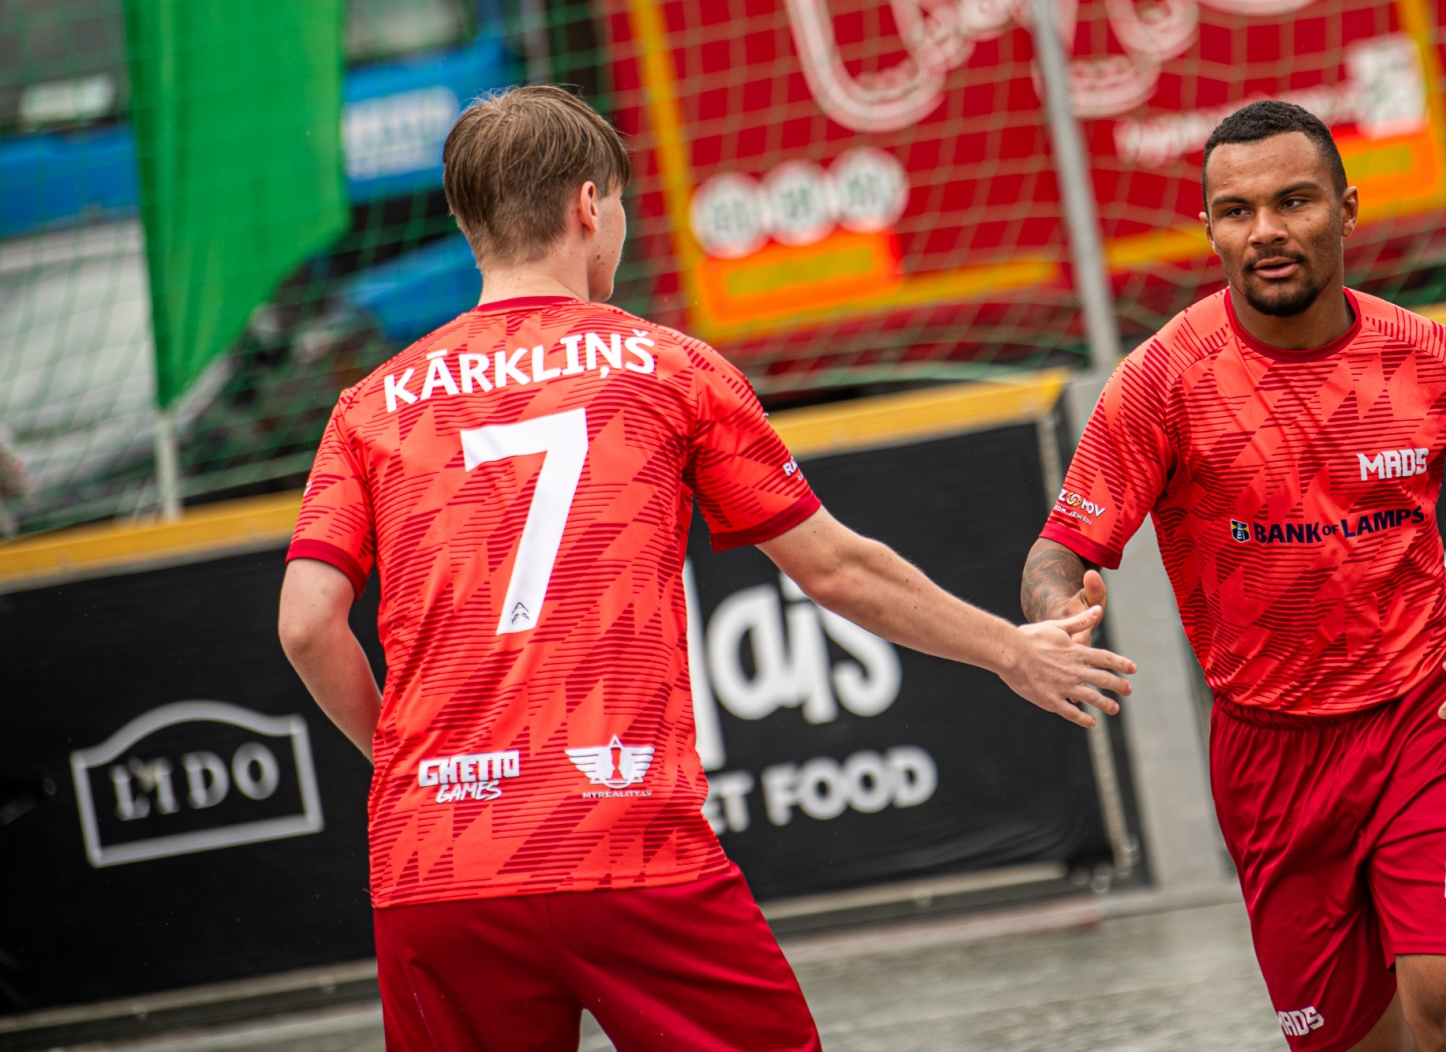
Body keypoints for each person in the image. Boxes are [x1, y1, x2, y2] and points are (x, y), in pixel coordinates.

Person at [278, 85, 1133, 1052]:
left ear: (467, 221)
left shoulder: (371, 406)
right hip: (625, 845)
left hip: (437, 862)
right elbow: (836, 568)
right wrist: (1011, 651)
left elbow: (306, 625)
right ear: (589, 207)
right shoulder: (666, 369)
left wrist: (408, 764)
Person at [1021, 101, 1446, 1052]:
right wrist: (1055, 614)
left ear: (1347, 208)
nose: (1267, 231)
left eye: (1294, 201)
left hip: (1432, 719)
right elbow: (1059, 551)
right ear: (1210, 229)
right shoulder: (1162, 382)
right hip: (1270, 760)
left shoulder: (1435, 360)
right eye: (1237, 211)